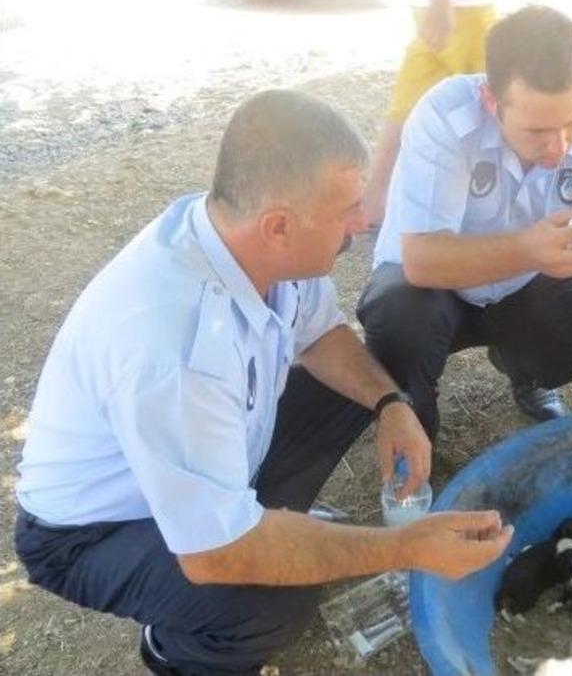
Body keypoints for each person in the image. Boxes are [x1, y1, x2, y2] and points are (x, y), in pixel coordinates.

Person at [12, 90, 512, 676]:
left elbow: (321, 333)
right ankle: (176, 649)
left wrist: (391, 404)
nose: (364, 220)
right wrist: (406, 546)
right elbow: (215, 554)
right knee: (271, 602)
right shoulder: (178, 350)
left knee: (371, 375)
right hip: (96, 530)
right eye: (347, 210)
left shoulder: (240, 239)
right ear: (278, 226)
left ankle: (263, 515)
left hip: (195, 452)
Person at [357, 5, 572, 439]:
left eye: (571, 123)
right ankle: (413, 427)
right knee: (399, 312)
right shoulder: (445, 118)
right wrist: (528, 248)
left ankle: (527, 372)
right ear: (491, 100)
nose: (559, 147)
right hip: (433, 289)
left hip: (524, 292)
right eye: (537, 130)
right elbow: (422, 261)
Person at [363, 0, 497, 228]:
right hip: (460, 6)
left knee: (408, 106)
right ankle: (373, 204)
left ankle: (373, 204)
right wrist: (441, 0)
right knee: (495, 103)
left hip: (439, 2)